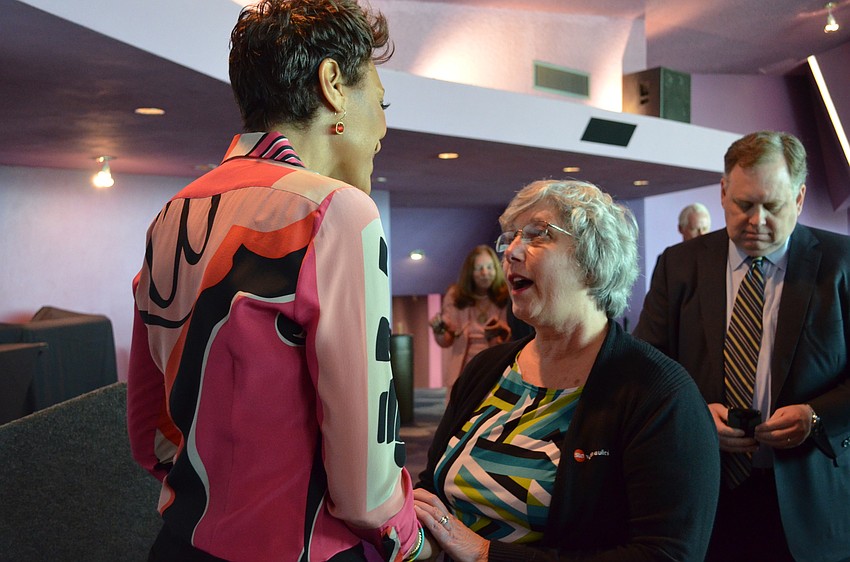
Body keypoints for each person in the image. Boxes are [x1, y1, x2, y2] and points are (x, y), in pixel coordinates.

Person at [126, 1, 423, 560]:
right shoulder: (339, 212)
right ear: (333, 84)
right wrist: (412, 540)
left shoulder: (170, 214)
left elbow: (150, 436)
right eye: (380, 101)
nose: (383, 126)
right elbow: (366, 491)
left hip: (181, 544)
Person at [414, 179, 720, 561]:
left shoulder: (659, 393)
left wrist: (484, 554)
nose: (510, 251)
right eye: (509, 237)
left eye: (536, 235)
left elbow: (668, 554)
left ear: (593, 261)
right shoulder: (487, 369)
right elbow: (433, 500)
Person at [634, 130, 850, 561]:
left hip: (810, 494)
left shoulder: (841, 262)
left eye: (773, 206)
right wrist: (694, 414)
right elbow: (646, 368)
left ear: (800, 198)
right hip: (705, 491)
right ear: (722, 192)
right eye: (743, 204)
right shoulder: (680, 265)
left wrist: (815, 415)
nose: (757, 221)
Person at [429, 245, 511, 388]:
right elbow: (446, 340)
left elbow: (515, 336)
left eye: (489, 267)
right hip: (464, 370)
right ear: (470, 272)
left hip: (498, 367)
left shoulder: (508, 295)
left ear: (496, 269)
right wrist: (439, 330)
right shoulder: (455, 296)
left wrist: (502, 331)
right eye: (479, 268)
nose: (485, 272)